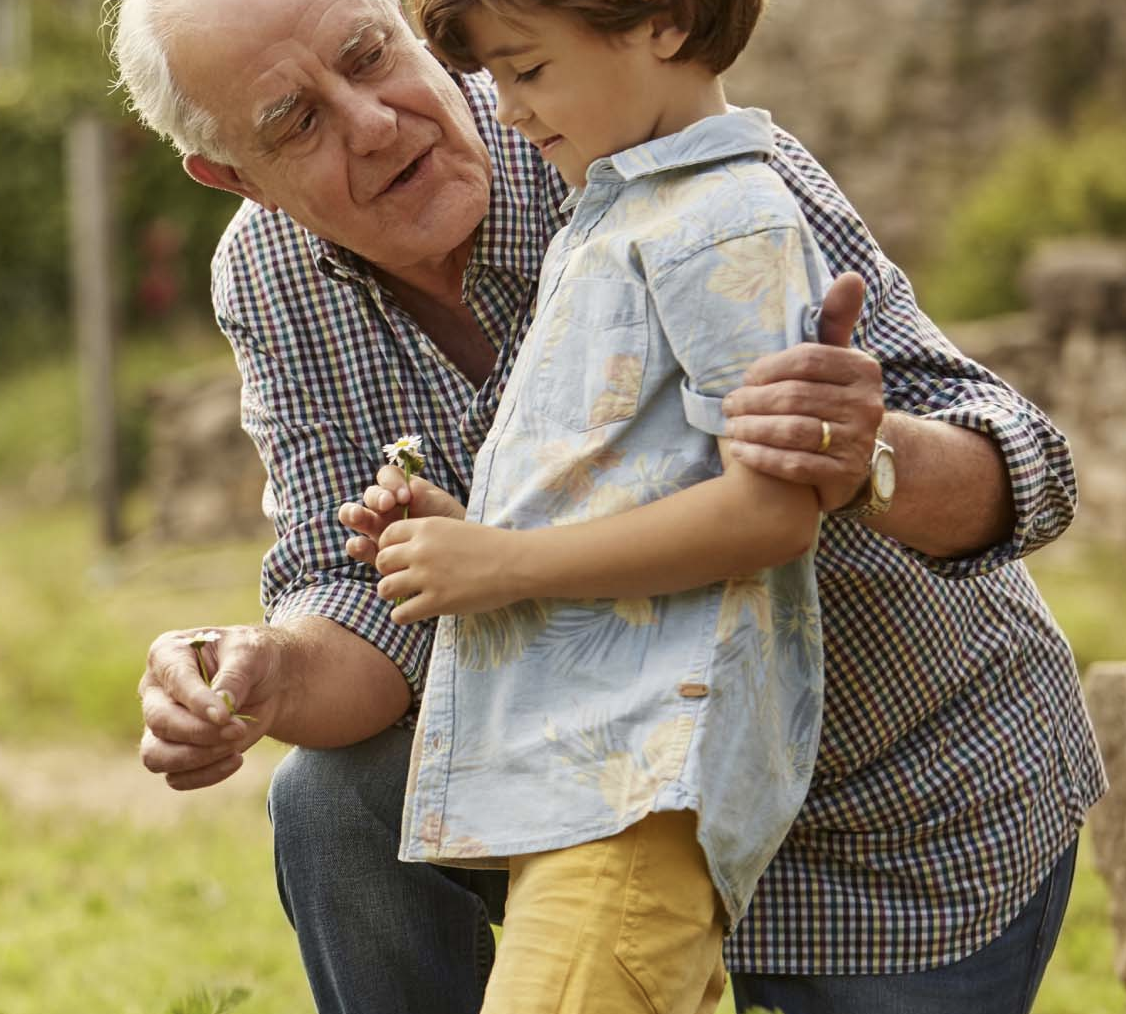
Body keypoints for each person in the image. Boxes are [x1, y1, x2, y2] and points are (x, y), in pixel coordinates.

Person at [110, 0, 1105, 1011]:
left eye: (369, 58)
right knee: (333, 802)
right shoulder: (269, 274)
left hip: (882, 801)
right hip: (599, 786)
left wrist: (862, 455)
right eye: (297, 124)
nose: (372, 124)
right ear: (235, 176)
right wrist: (268, 671)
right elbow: (361, 597)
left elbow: (1021, 467)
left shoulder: (634, 125)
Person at [338, 1, 829, 1009]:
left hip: (638, 784)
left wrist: (503, 568)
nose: (506, 111)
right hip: (582, 779)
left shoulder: (724, 219)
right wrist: (467, 534)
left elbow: (775, 514)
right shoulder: (621, 208)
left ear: (665, 22)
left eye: (527, 70)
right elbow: (630, 479)